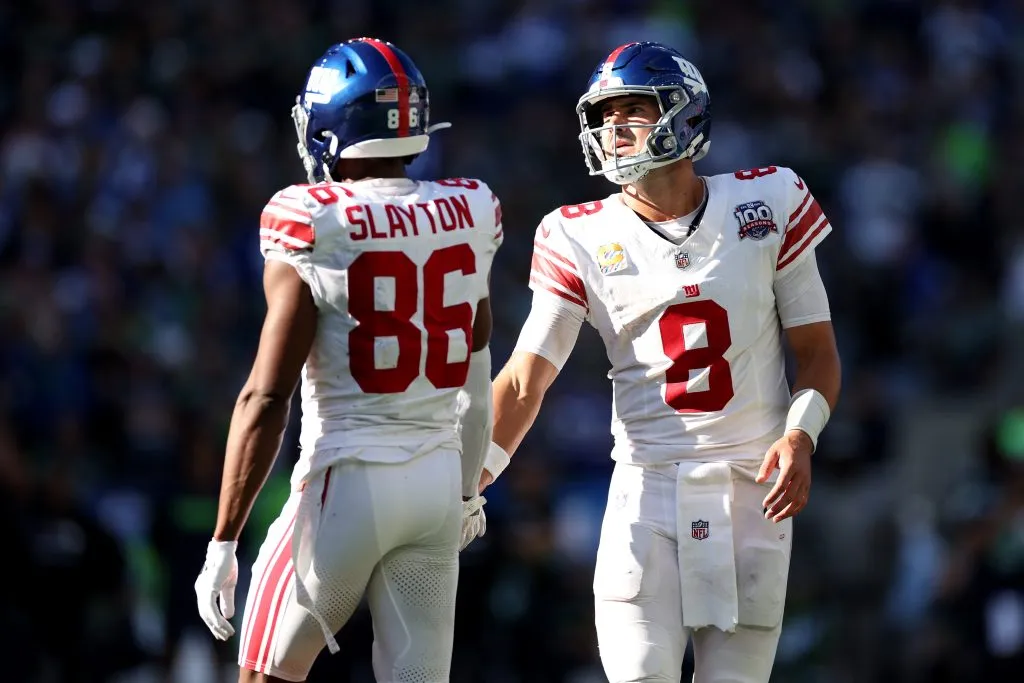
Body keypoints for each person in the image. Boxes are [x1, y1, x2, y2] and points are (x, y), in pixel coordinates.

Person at [472, 41, 842, 683]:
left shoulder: (770, 201)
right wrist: (467, 481)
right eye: (604, 114)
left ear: (684, 112)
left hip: (753, 491)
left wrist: (801, 436)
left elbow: (816, 355)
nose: (613, 128)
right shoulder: (576, 232)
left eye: (632, 110)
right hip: (646, 492)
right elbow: (526, 378)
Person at [192, 37, 503, 683]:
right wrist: (468, 489)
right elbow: (476, 376)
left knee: (262, 675)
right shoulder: (472, 208)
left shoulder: (311, 218)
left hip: (347, 480)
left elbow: (266, 396)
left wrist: (224, 538)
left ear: (331, 124)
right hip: (438, 482)